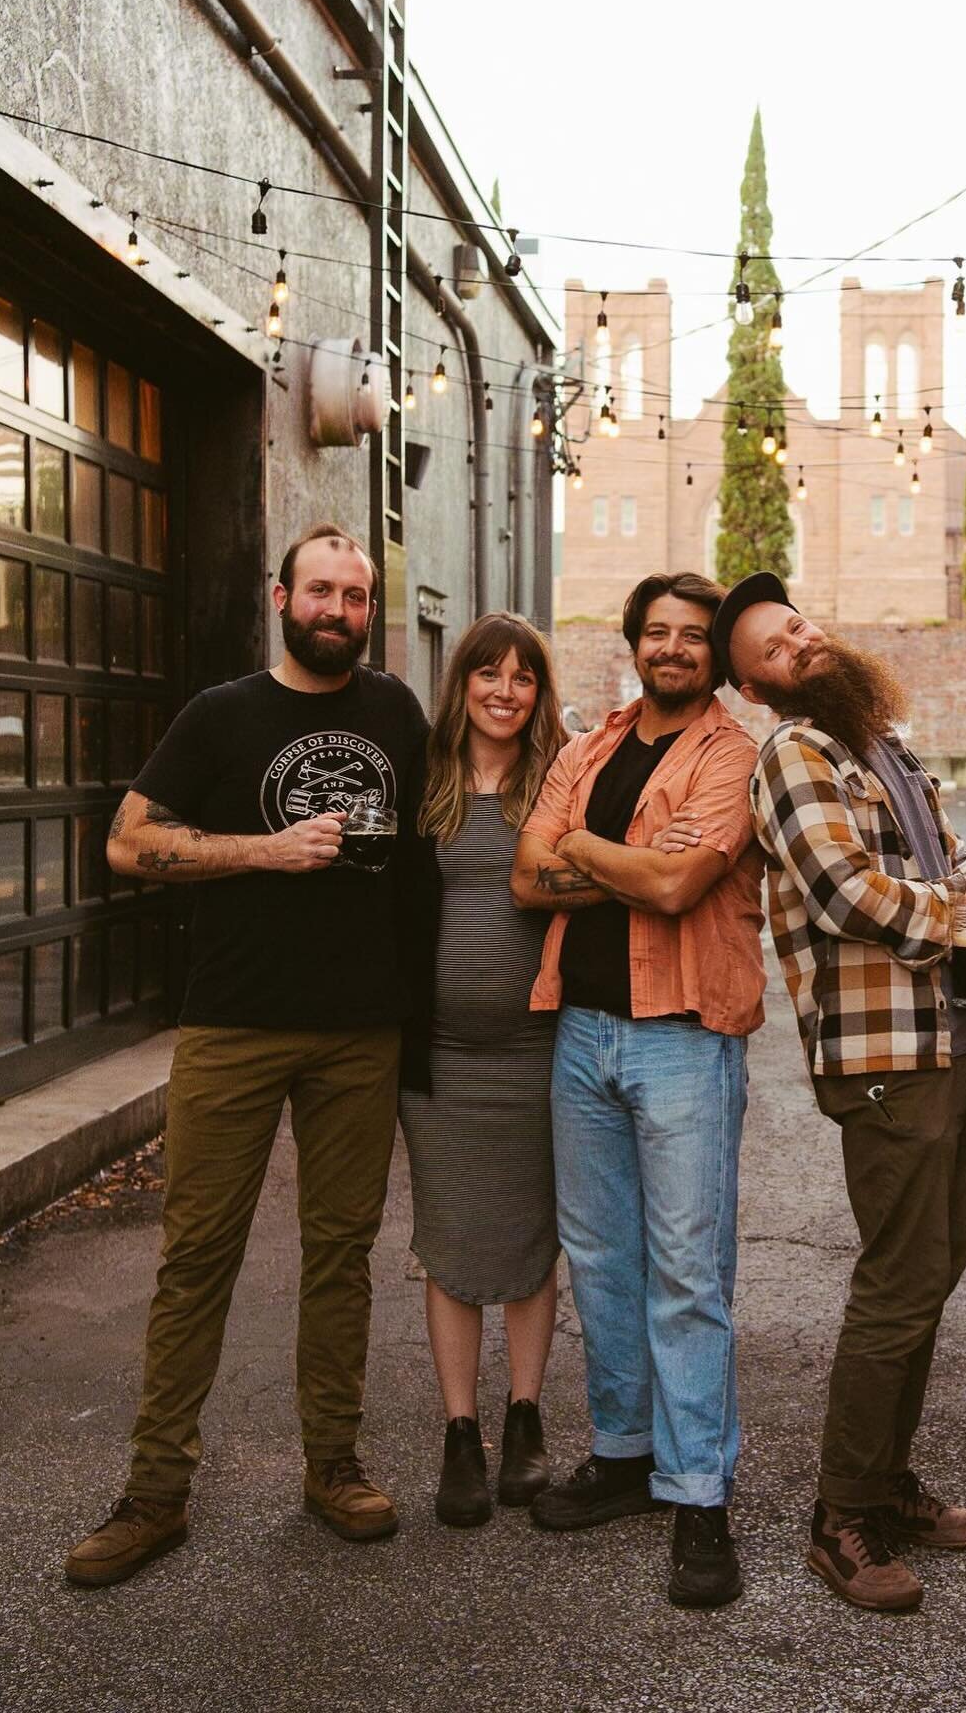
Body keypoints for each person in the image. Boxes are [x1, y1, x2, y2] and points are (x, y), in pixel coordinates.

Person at [64, 524, 428, 1588]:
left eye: (356, 598)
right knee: (197, 1259)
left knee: (341, 1257)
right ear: (282, 597)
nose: (339, 612)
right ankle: (156, 1493)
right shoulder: (222, 715)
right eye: (322, 592)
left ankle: (333, 1466)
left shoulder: (396, 712)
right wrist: (266, 850)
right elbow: (130, 841)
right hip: (233, 1024)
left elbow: (437, 841)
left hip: (360, 1029)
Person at [711, 572, 966, 1615]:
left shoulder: (880, 745)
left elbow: (941, 862)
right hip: (888, 1058)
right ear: (758, 690)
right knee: (898, 1284)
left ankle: (885, 1486)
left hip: (955, 1040)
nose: (802, 645)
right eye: (776, 651)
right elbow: (849, 895)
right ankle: (839, 1521)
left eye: (798, 627)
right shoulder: (793, 754)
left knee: (932, 1275)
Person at [510, 571, 766, 1610]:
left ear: (713, 656)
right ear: (634, 642)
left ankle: (699, 1491)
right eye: (656, 632)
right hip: (581, 1033)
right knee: (604, 1260)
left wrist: (580, 847)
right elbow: (529, 877)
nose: (672, 649)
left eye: (692, 636)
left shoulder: (733, 755)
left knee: (688, 1274)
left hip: (683, 1040)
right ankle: (622, 1454)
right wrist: (604, 854)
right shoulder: (587, 748)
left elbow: (677, 886)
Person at [398, 613, 565, 1528]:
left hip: (538, 1051)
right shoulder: (424, 780)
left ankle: (526, 1417)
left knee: (535, 1235)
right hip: (439, 1061)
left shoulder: (557, 783)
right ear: (461, 683)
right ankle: (461, 1433)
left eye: (523, 678)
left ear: (540, 694)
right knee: (451, 1241)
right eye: (487, 674)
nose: (505, 691)